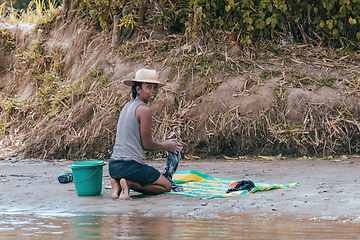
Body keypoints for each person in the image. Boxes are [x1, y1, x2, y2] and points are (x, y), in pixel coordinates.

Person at [109, 68, 183, 200]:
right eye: (148, 87)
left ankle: (116, 183)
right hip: (130, 167)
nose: (153, 91)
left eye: (155, 87)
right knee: (166, 186)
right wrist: (167, 145)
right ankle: (128, 183)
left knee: (150, 177)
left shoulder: (128, 105)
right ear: (138, 89)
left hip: (114, 166)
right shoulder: (144, 109)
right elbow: (147, 144)